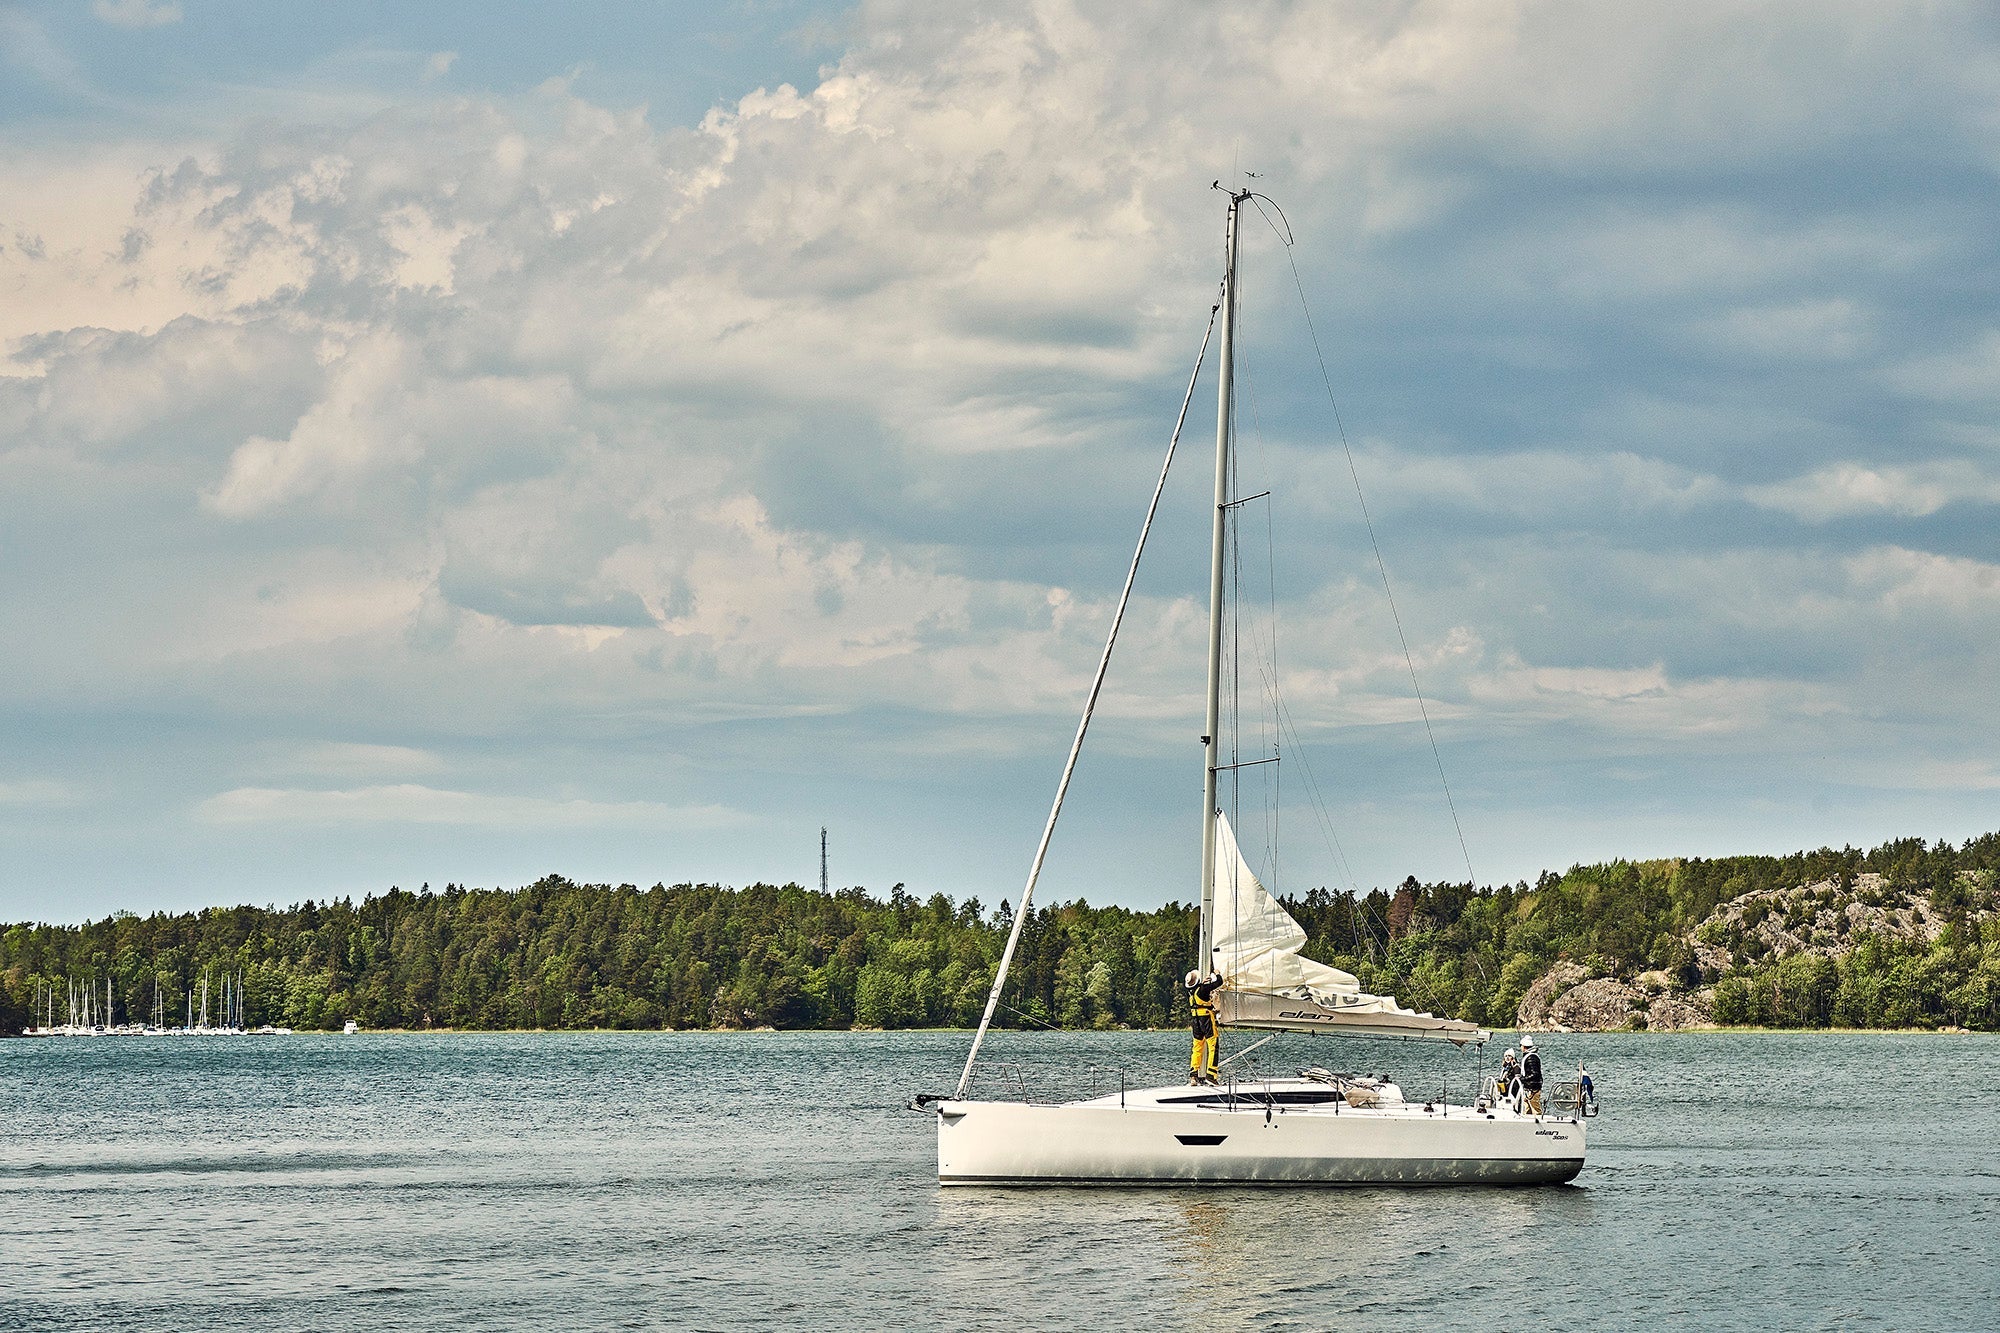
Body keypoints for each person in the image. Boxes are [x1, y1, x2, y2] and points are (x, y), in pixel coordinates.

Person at [1186, 970, 1222, 1085]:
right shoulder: (1203, 989)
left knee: (1197, 1048)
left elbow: (1202, 990)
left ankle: (1193, 1075)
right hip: (1205, 1019)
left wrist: (1205, 983)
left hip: (1195, 1021)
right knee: (1213, 1045)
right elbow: (1219, 982)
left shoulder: (1191, 992)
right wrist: (1217, 974)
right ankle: (1211, 1075)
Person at [1521, 1034, 1544, 1115]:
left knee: (1535, 1110)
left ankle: (1540, 1125)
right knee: (1527, 1109)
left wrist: (1523, 1079)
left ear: (1524, 1046)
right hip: (1528, 1088)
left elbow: (1535, 1074)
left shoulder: (1531, 1058)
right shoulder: (1530, 1056)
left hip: (1533, 1088)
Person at [1498, 1048, 1520, 1112]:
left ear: (1513, 1058)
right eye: (1506, 1056)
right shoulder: (1505, 1068)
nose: (1507, 1058)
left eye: (1509, 1056)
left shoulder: (1516, 1067)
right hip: (1504, 1092)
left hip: (1512, 1093)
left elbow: (1517, 1082)